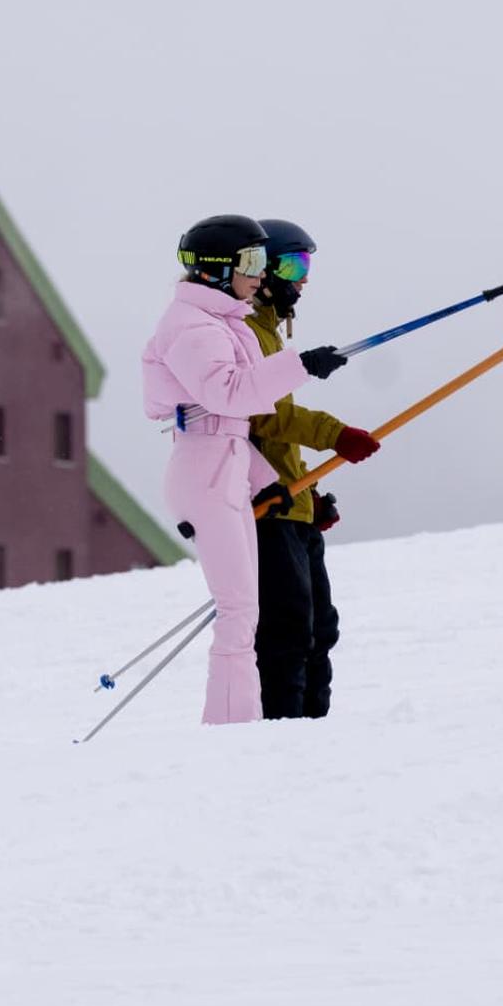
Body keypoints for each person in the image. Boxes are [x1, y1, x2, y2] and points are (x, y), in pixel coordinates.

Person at [142, 214, 347, 725]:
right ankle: (247, 733)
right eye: (258, 262)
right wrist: (308, 376)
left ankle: (288, 730)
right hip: (213, 477)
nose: (297, 277)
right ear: (218, 270)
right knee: (262, 623)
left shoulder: (231, 326)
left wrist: (287, 490)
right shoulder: (200, 327)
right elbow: (241, 401)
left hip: (243, 476)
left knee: (302, 626)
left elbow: (238, 427)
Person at [247, 218, 380, 719]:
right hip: (267, 514)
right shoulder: (245, 334)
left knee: (319, 629)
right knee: (287, 633)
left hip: (291, 508)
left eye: (305, 265)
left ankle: (314, 734)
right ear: (261, 270)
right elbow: (265, 416)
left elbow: (275, 441)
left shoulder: (269, 333)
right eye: (292, 264)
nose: (302, 278)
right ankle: (281, 735)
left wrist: (310, 499)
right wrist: (335, 434)